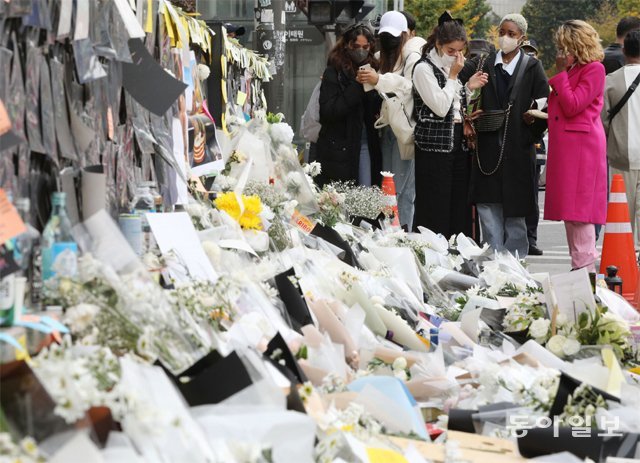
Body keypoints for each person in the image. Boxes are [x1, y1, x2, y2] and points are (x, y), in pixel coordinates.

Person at [459, 13, 549, 257]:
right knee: (488, 207)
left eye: (512, 34)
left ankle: (515, 266)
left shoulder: (532, 66)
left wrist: (534, 118)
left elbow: (545, 102)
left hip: (518, 146)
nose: (505, 38)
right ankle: (493, 262)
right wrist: (469, 110)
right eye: (502, 32)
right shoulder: (484, 63)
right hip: (487, 144)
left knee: (516, 210)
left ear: (522, 38)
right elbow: (461, 87)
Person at [410, 12, 488, 237]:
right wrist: (455, 77)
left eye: (459, 51)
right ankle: (433, 254)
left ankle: (457, 251)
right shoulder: (423, 68)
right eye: (450, 50)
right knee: (435, 204)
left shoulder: (449, 68)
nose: (455, 56)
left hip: (458, 142)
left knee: (458, 203)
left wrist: (468, 88)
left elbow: (454, 104)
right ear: (438, 44)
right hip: (433, 146)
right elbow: (440, 106)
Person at [545, 20, 607, 272]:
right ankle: (579, 269)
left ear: (576, 46)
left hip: (581, 148)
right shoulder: (576, 70)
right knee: (571, 214)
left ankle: (583, 270)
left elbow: (573, 105)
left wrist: (559, 74)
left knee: (580, 213)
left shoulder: (594, 69)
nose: (561, 53)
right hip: (571, 146)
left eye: (564, 47)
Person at [357, 11, 424, 229]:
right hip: (387, 128)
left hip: (405, 128)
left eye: (394, 35)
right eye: (385, 35)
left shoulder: (412, 57)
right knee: (388, 185)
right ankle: (390, 231)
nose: (390, 40)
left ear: (405, 34)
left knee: (402, 189)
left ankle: (402, 233)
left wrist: (380, 80)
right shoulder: (380, 57)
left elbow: (410, 87)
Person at [315, 23, 383, 188]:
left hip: (366, 142)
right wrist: (357, 85)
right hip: (339, 146)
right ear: (347, 45)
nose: (361, 51)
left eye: (365, 47)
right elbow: (329, 110)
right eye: (356, 46)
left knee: (365, 193)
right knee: (342, 199)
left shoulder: (374, 69)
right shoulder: (334, 72)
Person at [603, 30, 640, 249]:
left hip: (620, 155)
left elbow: (603, 120)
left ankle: (627, 254)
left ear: (623, 51)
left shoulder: (610, 81)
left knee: (622, 212)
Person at [522, 39, 545, 256]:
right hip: (511, 144)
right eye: (524, 53)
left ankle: (531, 237)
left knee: (531, 194)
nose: (529, 57)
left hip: (534, 143)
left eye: (532, 53)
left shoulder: (540, 80)